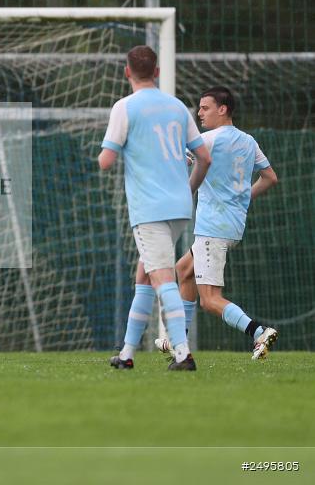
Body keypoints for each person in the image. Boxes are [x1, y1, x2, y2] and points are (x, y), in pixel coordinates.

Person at [99, 45, 211, 371]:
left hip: (150, 209)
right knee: (144, 276)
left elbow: (106, 161)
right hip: (178, 206)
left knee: (163, 279)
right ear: (158, 72)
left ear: (126, 72)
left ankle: (182, 353)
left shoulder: (125, 106)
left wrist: (114, 152)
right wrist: (188, 187)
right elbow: (203, 157)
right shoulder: (177, 106)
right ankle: (127, 353)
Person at [154, 86, 279, 360]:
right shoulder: (248, 141)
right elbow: (270, 177)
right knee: (183, 269)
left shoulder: (208, 140)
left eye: (205, 108)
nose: (199, 113)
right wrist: (243, 198)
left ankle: (258, 331)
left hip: (214, 228)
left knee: (210, 300)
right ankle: (179, 342)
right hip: (231, 225)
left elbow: (183, 157)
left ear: (223, 109)